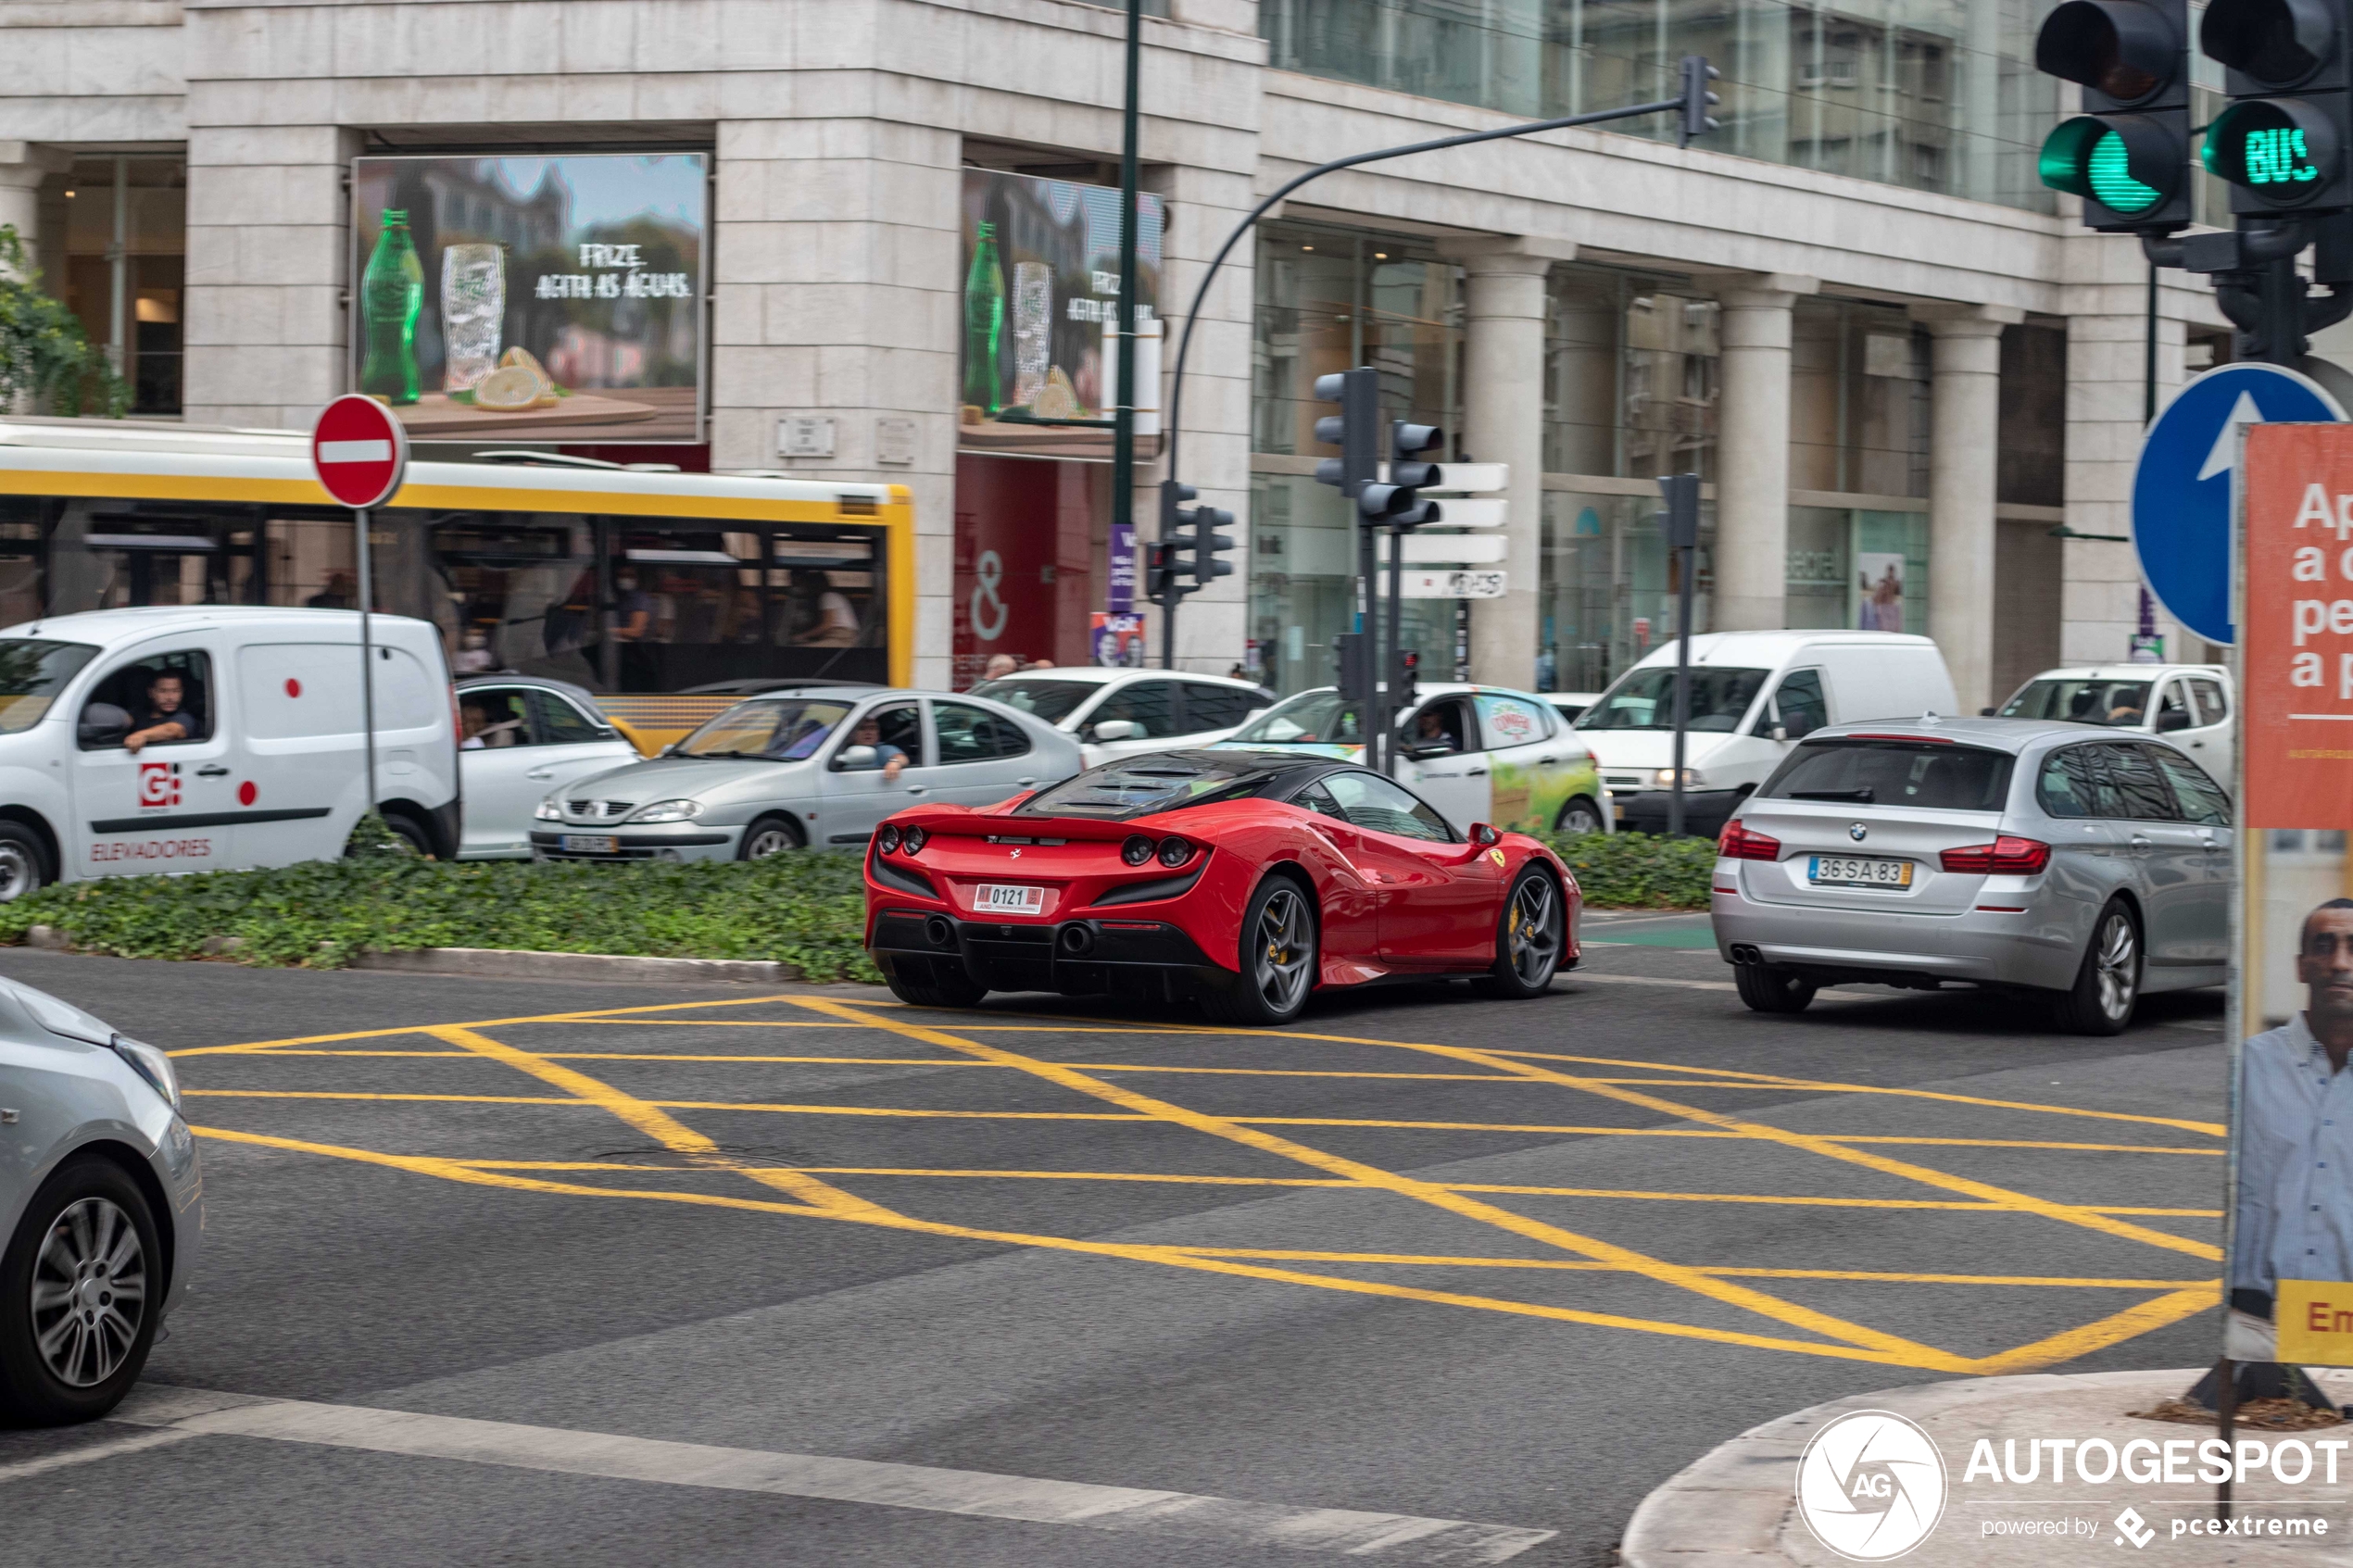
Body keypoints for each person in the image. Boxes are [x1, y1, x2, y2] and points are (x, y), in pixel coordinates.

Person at [2233, 898, 2353, 1321]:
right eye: (2325, 946)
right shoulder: (2250, 1065)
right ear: (2302, 966)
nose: (2340, 962)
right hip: (2259, 1316)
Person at [125, 671, 196, 754]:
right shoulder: (139, 713)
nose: (170, 697)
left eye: (176, 691)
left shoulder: (185, 717)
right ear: (150, 693)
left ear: (182, 693)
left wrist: (141, 735)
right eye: (163, 691)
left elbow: (173, 730)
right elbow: (121, 721)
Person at [837, 713, 908, 781]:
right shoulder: (839, 747)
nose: (868, 732)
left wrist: (895, 763)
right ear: (851, 733)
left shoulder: (881, 749)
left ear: (878, 733)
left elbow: (901, 757)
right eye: (862, 728)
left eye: (872, 728)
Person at [611, 570, 653, 642]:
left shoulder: (640, 598)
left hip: (630, 644)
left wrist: (609, 631)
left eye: (630, 576)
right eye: (622, 576)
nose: (625, 579)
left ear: (636, 579)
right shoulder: (616, 595)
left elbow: (636, 631)